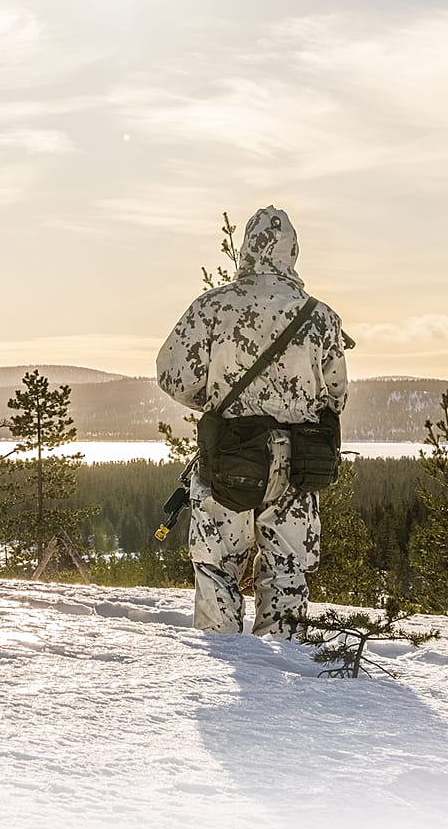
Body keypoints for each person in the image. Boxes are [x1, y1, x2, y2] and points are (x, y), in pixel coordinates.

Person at [156, 206, 349, 637]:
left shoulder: (213, 306)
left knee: (217, 567)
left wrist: (214, 399)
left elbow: (171, 374)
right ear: (292, 252)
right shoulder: (320, 317)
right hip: (297, 462)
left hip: (230, 453)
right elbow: (336, 396)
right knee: (287, 571)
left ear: (245, 250)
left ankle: (223, 663)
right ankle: (282, 679)